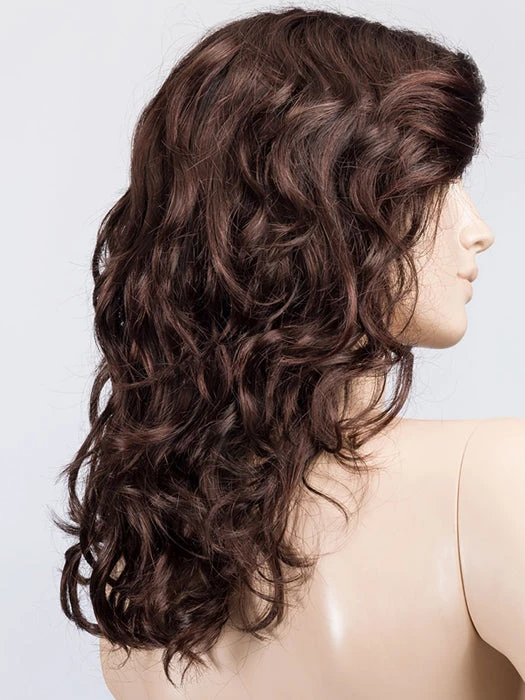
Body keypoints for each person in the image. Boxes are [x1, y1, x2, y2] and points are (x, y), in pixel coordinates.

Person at [53, 7, 525, 699]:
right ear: (324, 209)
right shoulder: (490, 480)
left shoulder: (145, 566)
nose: (477, 229)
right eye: (435, 181)